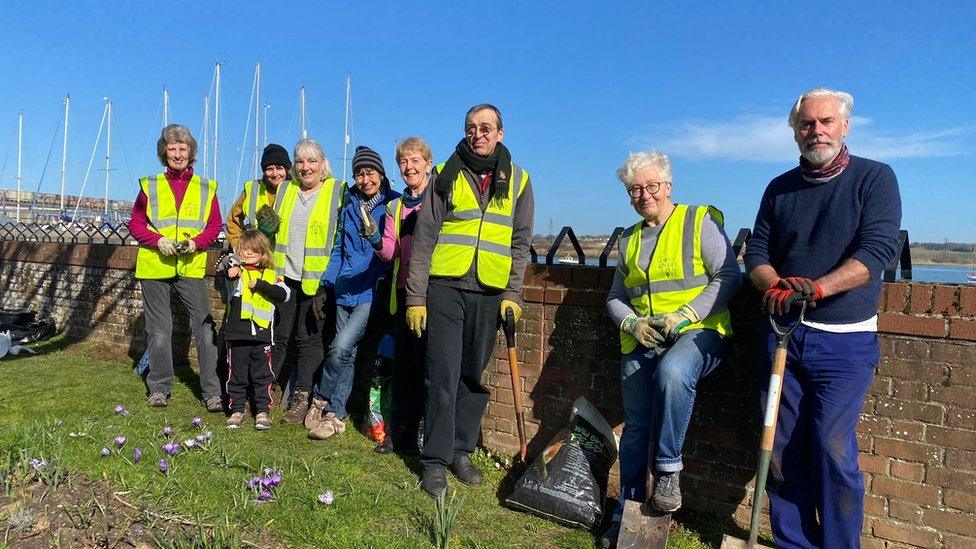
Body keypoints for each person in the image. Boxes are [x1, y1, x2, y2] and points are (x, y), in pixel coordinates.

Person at [744, 88, 901, 548]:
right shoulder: (779, 187)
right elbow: (757, 251)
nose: (817, 131)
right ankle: (794, 543)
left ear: (845, 126)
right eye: (807, 124)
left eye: (826, 122)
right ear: (795, 131)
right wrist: (772, 282)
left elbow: (876, 252)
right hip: (782, 338)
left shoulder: (875, 179)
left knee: (833, 451)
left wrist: (817, 288)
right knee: (781, 451)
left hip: (845, 343)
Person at [601, 150, 741, 545]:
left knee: (674, 371)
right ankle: (625, 513)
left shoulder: (699, 221)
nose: (644, 195)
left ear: (668, 186)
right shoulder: (629, 238)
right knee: (634, 429)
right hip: (644, 338)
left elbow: (729, 277)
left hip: (700, 332)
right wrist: (631, 321)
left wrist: (684, 314)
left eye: (652, 186)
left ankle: (667, 471)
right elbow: (615, 296)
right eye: (635, 189)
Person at [405, 104, 534, 497]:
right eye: (471, 128)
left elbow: (521, 241)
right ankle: (436, 461)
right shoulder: (446, 173)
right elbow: (424, 238)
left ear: (500, 132)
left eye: (486, 128)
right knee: (442, 375)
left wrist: (512, 293)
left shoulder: (519, 180)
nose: (478, 134)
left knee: (473, 377)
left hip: (490, 292)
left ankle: (462, 450)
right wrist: (415, 297)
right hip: (445, 287)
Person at [304, 146, 400, 439]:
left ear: (381, 174)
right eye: (359, 173)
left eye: (370, 172)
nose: (364, 178)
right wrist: (326, 285)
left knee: (340, 347)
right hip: (345, 288)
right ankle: (337, 414)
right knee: (347, 353)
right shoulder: (348, 204)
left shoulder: (393, 205)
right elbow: (339, 250)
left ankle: (319, 398)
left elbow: (392, 250)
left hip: (370, 291)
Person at [129, 124, 222, 411]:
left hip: (190, 264)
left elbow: (214, 226)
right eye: (172, 149)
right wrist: (158, 241)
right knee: (159, 329)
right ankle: (159, 387)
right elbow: (135, 224)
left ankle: (212, 391)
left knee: (205, 328)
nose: (178, 154)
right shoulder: (150, 185)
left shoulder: (206, 187)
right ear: (164, 153)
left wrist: (197, 243)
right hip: (156, 264)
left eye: (183, 149)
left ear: (191, 152)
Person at [271, 138, 345, 424]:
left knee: (308, 339)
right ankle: (269, 388)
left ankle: (301, 396)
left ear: (323, 164)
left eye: (312, 161)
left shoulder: (337, 191)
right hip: (284, 275)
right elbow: (270, 229)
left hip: (317, 282)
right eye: (300, 161)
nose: (306, 167)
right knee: (278, 335)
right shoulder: (286, 190)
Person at [371, 137, 434, 454]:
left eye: (414, 160)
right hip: (402, 294)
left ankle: (424, 435)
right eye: (403, 162)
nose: (409, 167)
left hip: (432, 295)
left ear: (427, 163)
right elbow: (391, 251)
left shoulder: (438, 199)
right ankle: (399, 434)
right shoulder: (395, 206)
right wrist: (373, 237)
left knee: (427, 369)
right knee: (403, 368)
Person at [220, 229, 290, 430]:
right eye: (245, 250)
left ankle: (262, 411)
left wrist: (261, 285)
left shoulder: (271, 275)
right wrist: (232, 271)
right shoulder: (238, 273)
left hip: (262, 336)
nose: (249, 253)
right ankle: (237, 410)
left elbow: (284, 295)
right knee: (237, 375)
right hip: (238, 335)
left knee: (263, 376)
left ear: (263, 253)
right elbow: (230, 275)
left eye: (254, 250)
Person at [225, 144, 292, 247]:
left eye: (279, 168)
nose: (275, 173)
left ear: (287, 170)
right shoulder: (252, 188)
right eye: (269, 169)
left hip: (286, 258)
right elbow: (233, 219)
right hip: (258, 256)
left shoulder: (296, 189)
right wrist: (239, 245)